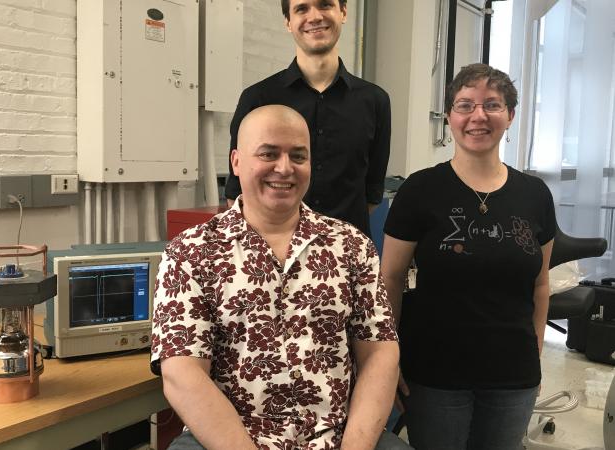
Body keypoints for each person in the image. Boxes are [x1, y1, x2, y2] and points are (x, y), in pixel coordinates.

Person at [152, 105, 409, 449]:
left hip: (336, 435)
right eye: (269, 154)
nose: (284, 168)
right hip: (229, 438)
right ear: (237, 162)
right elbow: (181, 372)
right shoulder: (192, 252)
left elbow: (380, 353)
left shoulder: (351, 246)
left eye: (298, 156)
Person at [380, 63, 555, 450]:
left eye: (492, 104)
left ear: (510, 115)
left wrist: (536, 353)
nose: (478, 115)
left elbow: (540, 282)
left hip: (513, 376)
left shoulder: (535, 195)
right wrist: (386, 361)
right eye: (465, 105)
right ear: (450, 117)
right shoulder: (420, 190)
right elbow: (389, 278)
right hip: (434, 374)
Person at [224, 0, 391, 239]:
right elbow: (237, 191)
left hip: (345, 255)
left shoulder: (375, 101)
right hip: (270, 257)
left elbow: (372, 195)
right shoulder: (258, 98)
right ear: (288, 22)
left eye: (325, 5)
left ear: (343, 12)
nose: (314, 17)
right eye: (302, 9)